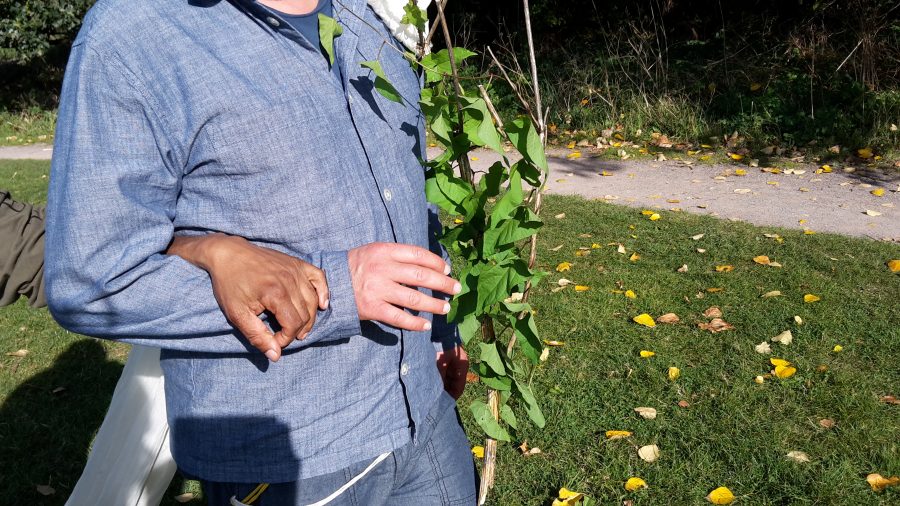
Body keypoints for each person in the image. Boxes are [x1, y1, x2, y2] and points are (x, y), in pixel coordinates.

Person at [45, 0, 476, 504]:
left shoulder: (362, 15)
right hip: (295, 456)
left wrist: (441, 326)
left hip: (426, 414)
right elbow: (92, 279)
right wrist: (330, 288)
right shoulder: (133, 33)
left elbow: (404, 185)